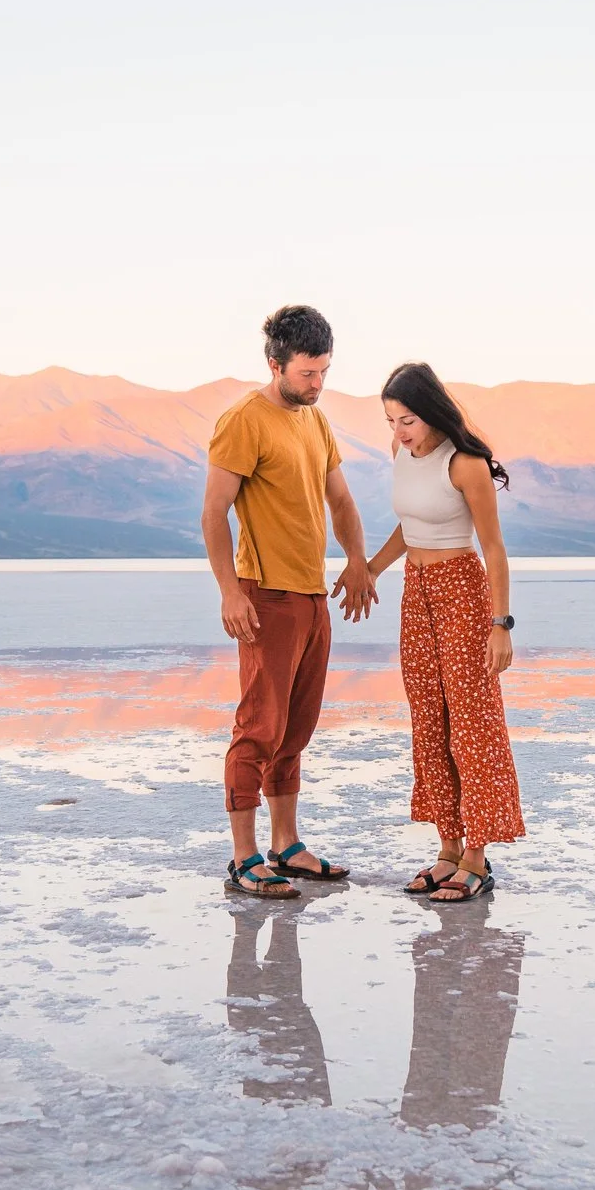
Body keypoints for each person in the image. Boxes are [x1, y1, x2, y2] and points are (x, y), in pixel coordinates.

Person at [203, 304, 379, 898]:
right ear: (275, 364)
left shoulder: (315, 420)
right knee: (260, 726)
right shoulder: (243, 421)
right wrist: (230, 591)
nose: (318, 383)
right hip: (265, 596)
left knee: (296, 729)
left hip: (311, 595)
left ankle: (286, 845)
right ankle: (243, 857)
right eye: (308, 373)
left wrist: (357, 560)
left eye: (324, 371)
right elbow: (213, 513)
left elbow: (341, 500)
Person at [359, 362, 525, 900]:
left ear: (430, 412)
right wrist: (370, 569)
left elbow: (493, 548)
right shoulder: (401, 453)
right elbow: (411, 526)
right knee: (429, 720)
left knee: (471, 724)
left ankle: (476, 858)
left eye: (407, 420)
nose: (398, 431)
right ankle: (447, 849)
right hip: (418, 593)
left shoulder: (465, 464)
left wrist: (500, 625)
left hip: (463, 592)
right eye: (390, 421)